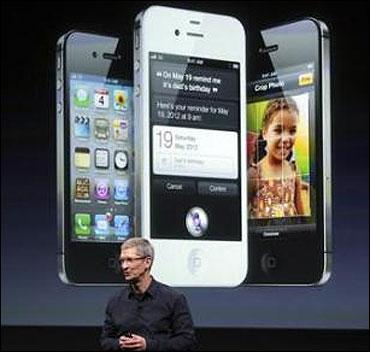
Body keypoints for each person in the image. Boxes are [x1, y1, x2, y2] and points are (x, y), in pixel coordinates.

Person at [100, 238, 198, 351]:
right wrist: (119, 344)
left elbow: (187, 341)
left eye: (130, 260)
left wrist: (148, 345)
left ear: (147, 262)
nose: (124, 266)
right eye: (122, 261)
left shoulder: (173, 299)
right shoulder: (115, 301)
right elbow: (105, 341)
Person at [248, 97, 306, 218]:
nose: (286, 139)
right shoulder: (255, 174)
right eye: (278, 130)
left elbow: (299, 207)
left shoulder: (294, 169)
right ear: (264, 133)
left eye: (292, 131)